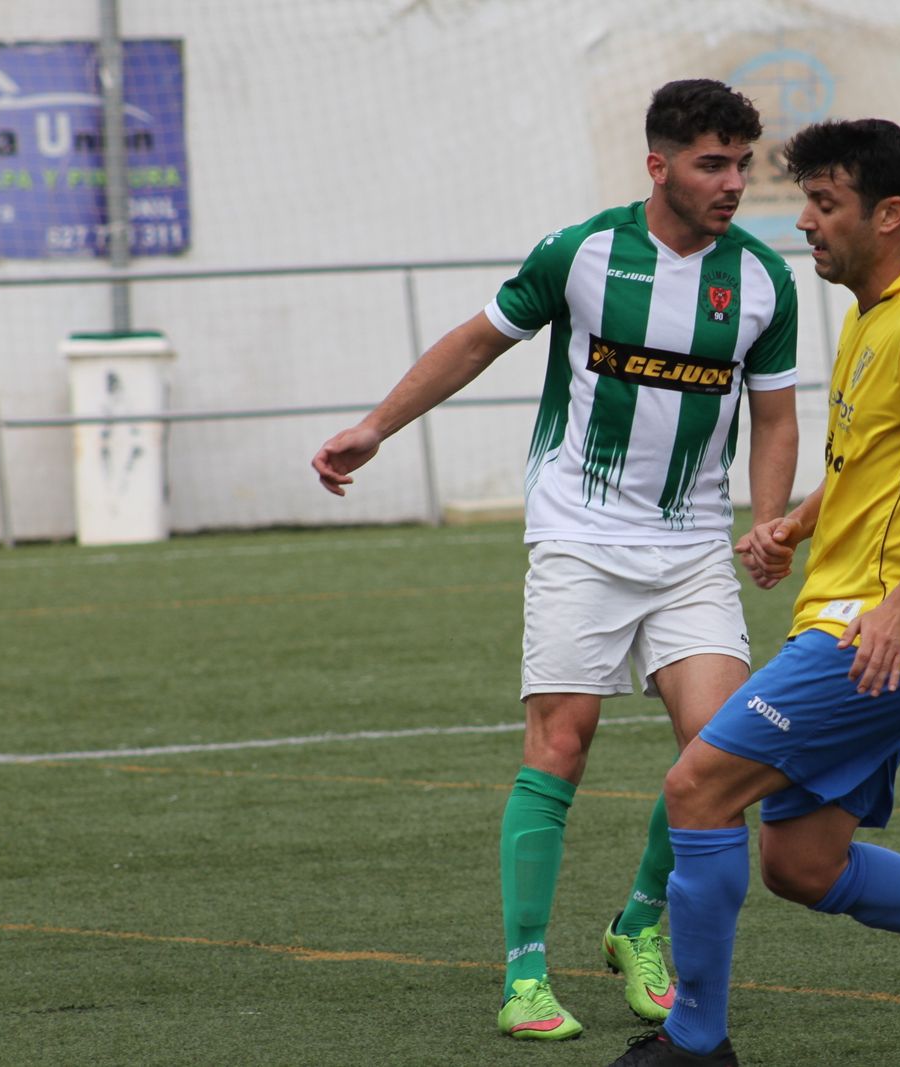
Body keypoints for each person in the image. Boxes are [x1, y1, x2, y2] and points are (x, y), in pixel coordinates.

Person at [311, 79, 799, 1042]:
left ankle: (637, 925)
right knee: (561, 745)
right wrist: (376, 426)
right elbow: (475, 343)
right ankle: (525, 973)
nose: (734, 181)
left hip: (693, 546)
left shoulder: (761, 281)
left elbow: (776, 416)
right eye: (713, 163)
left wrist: (770, 521)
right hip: (578, 532)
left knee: (721, 754)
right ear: (658, 165)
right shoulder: (580, 253)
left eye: (742, 162)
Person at [606, 118, 900, 1067]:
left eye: (824, 206)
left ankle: (697, 1043)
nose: (806, 226)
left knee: (697, 787)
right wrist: (797, 523)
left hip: (882, 638)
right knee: (801, 865)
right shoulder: (873, 311)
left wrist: (897, 609)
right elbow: (873, 464)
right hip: (853, 624)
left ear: (889, 213)